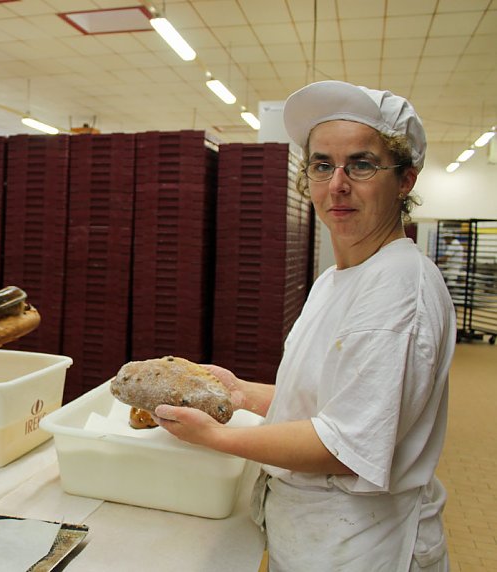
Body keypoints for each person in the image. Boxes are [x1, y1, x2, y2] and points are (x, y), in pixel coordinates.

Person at [154, 80, 455, 571]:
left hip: (361, 547)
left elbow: (346, 444)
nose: (337, 184)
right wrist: (242, 393)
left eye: (361, 163)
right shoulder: (339, 279)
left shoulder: (398, 287)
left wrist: (216, 436)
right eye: (321, 165)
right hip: (315, 535)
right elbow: (330, 398)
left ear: (405, 180)